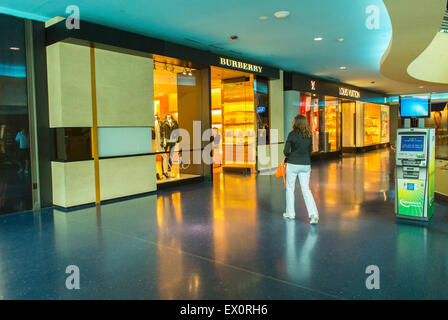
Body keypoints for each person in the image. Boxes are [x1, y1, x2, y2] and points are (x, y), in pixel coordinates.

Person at [283, 115, 319, 224]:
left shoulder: (292, 134)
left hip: (293, 164)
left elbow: (286, 151)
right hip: (305, 164)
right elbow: (310, 150)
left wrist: (291, 155)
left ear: (295, 123)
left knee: (290, 188)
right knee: (306, 189)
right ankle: (313, 215)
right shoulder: (308, 135)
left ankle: (290, 213)